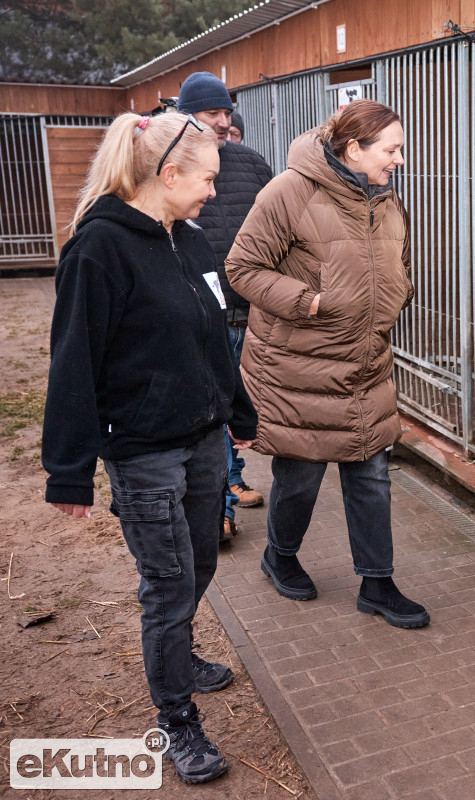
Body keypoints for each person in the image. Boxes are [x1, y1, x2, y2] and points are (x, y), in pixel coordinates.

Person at [41, 111, 257, 784]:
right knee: (167, 588)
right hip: (141, 451)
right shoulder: (98, 249)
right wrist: (69, 471)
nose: (214, 194)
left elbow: (213, 333)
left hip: (200, 441)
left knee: (198, 566)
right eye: (208, 179)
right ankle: (177, 718)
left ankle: (181, 656)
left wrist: (237, 410)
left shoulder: (187, 241)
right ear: (169, 174)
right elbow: (73, 362)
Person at [225, 100, 428, 628]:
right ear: (353, 149)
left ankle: (377, 583)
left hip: (363, 362)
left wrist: (395, 294)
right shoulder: (289, 191)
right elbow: (242, 266)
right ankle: (280, 555)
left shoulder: (383, 198)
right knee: (301, 476)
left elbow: (393, 262)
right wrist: (308, 301)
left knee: (371, 472)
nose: (400, 160)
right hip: (301, 368)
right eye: (392, 149)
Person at [175, 72, 274, 542]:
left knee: (240, 409)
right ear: (186, 115)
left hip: (252, 311)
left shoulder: (252, 164)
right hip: (202, 316)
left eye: (225, 112)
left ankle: (231, 482)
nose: (221, 120)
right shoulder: (171, 167)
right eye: (211, 112)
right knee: (213, 408)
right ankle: (220, 510)